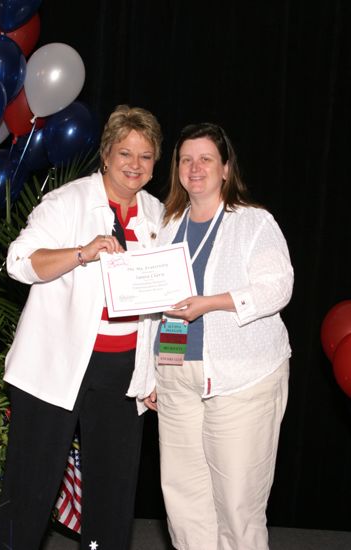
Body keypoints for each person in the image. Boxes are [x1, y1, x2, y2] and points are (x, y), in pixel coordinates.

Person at [0, 105, 165, 550]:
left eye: (145, 156)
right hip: (56, 366)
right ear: (105, 155)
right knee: (30, 488)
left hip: (123, 371)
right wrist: (82, 252)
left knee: (112, 493)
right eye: (125, 152)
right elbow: (18, 263)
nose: (134, 164)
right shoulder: (67, 202)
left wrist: (157, 372)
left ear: (155, 163)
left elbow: (167, 305)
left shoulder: (160, 216)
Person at [140, 122, 294, 550]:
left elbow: (277, 288)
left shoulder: (254, 223)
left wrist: (212, 302)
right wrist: (154, 373)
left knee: (238, 507)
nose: (195, 167)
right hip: (177, 377)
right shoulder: (168, 225)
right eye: (186, 159)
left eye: (206, 158)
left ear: (226, 168)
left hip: (240, 378)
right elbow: (159, 308)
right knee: (184, 503)